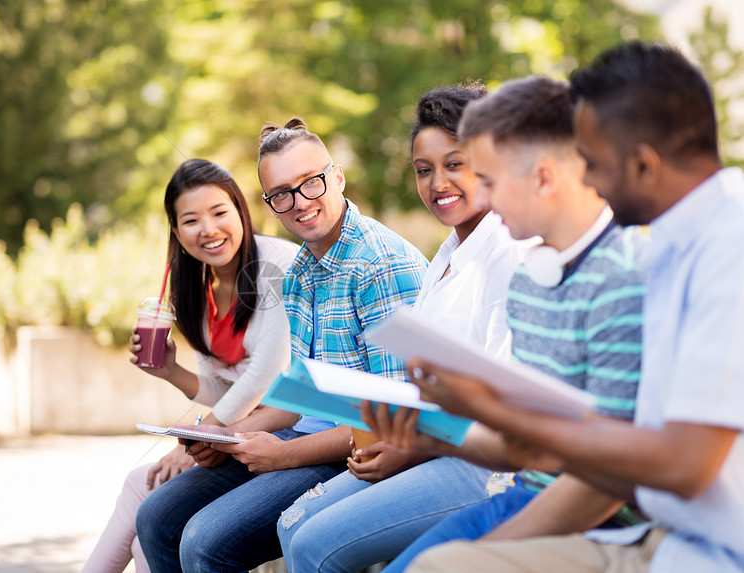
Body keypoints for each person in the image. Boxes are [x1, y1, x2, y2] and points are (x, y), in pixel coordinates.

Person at [392, 42, 744, 573]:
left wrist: (487, 411)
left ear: (643, 164)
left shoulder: (718, 251)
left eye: (593, 163)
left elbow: (679, 467)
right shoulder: (676, 244)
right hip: (666, 534)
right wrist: (441, 424)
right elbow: (566, 452)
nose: (586, 179)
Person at [360, 75, 649, 572]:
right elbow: (532, 448)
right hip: (530, 492)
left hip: (616, 524)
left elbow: (603, 480)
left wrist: (479, 554)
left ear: (541, 175)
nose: (482, 199)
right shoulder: (532, 281)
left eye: (487, 178)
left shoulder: (627, 277)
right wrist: (429, 433)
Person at [135, 118, 428, 573]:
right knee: (156, 517)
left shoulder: (380, 266)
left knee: (203, 541)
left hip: (356, 451)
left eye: (311, 183)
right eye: (282, 194)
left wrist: (285, 454)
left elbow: (393, 422)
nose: (300, 203)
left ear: (338, 177)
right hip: (304, 435)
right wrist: (222, 435)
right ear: (270, 204)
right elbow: (299, 400)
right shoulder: (299, 272)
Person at [276, 84, 533, 573]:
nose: (438, 183)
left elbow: (504, 411)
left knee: (315, 546)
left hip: (481, 463)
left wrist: (410, 449)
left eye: (454, 164)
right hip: (424, 444)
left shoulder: (507, 252)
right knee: (293, 525)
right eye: (423, 169)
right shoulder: (447, 256)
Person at [81, 158, 299, 573]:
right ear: (178, 234)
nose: (209, 229)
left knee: (156, 505)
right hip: (243, 427)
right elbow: (225, 385)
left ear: (240, 211)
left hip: (286, 427)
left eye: (219, 212)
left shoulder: (277, 265)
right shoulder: (199, 290)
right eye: (191, 220)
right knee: (144, 489)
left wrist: (206, 434)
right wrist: (172, 372)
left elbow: (267, 372)